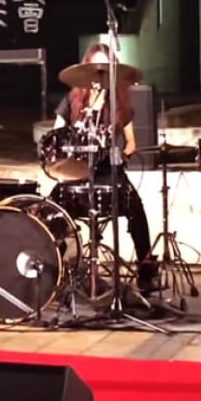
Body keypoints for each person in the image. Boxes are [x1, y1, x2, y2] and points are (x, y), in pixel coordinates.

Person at [49, 43, 158, 293]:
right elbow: (56, 134)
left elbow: (131, 142)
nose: (98, 75)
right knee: (53, 205)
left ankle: (146, 267)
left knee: (134, 205)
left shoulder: (117, 104)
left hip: (108, 168)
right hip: (76, 169)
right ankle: (52, 267)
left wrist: (123, 153)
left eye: (104, 69)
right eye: (94, 68)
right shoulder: (72, 101)